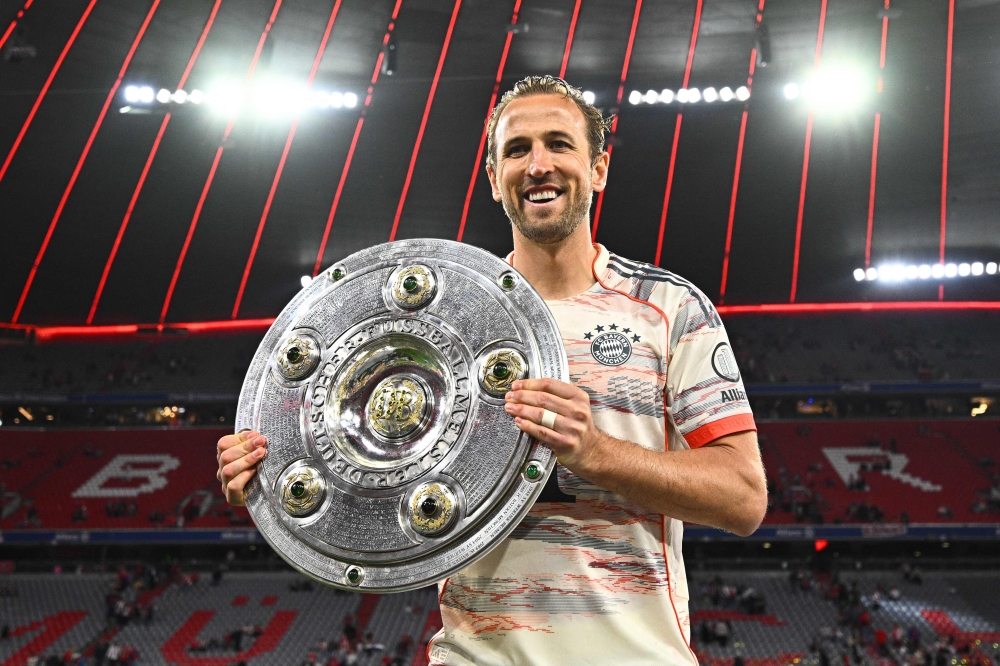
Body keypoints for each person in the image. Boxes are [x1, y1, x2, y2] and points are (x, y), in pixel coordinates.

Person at [216, 76, 766, 665]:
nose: (538, 165)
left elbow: (743, 498)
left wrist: (598, 452)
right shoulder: (449, 314)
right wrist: (269, 479)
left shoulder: (669, 308)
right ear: (493, 178)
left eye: (559, 143)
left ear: (598, 168)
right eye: (516, 149)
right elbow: (363, 478)